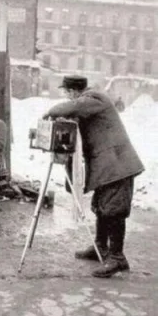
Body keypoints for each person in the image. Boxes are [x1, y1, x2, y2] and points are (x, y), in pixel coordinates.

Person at [42, 75, 144, 278]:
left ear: (73, 91)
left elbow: (72, 107)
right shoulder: (87, 105)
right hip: (106, 166)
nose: (67, 97)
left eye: (67, 93)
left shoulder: (95, 98)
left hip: (118, 165)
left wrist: (50, 112)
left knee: (114, 210)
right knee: (101, 207)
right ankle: (100, 247)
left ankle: (117, 258)